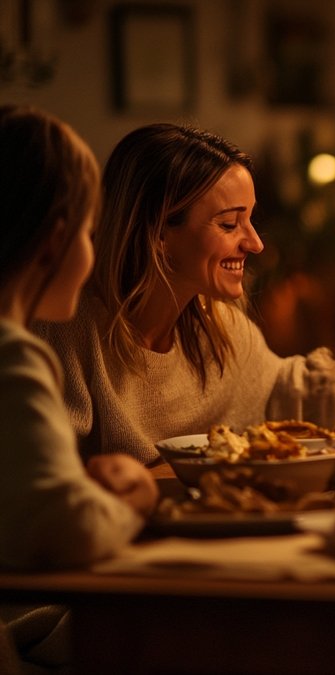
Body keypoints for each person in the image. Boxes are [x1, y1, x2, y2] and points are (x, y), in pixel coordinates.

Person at [34, 123, 335, 465]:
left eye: (250, 219)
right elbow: (40, 477)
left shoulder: (218, 328)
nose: (255, 243)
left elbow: (289, 392)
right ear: (159, 232)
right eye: (229, 224)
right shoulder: (70, 330)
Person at [0, 105, 159, 670]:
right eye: (91, 234)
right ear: (54, 242)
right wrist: (137, 499)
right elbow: (65, 530)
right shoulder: (14, 359)